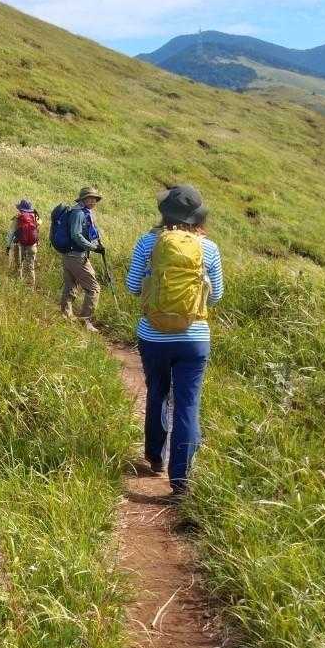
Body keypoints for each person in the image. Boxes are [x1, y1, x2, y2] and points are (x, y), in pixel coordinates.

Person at [125, 184, 224, 498]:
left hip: (153, 335)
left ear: (165, 213)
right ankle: (181, 482)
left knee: (157, 393)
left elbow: (132, 287)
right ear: (196, 217)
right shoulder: (209, 248)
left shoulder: (148, 242)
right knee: (187, 404)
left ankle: (155, 458)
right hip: (194, 337)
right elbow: (217, 296)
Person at [54, 186, 104, 331]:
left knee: (70, 286)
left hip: (69, 255)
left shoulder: (80, 211)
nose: (93, 201)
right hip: (76, 256)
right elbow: (76, 235)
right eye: (90, 198)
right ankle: (85, 321)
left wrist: (96, 244)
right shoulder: (79, 213)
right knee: (94, 288)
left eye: (94, 199)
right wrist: (93, 247)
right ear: (83, 199)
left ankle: (66, 316)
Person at [7, 199, 40, 287]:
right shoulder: (35, 216)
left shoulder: (18, 217)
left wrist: (8, 246)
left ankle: (18, 285)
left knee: (19, 266)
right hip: (32, 245)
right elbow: (37, 229)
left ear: (20, 208)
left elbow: (11, 233)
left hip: (20, 245)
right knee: (30, 267)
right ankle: (30, 288)